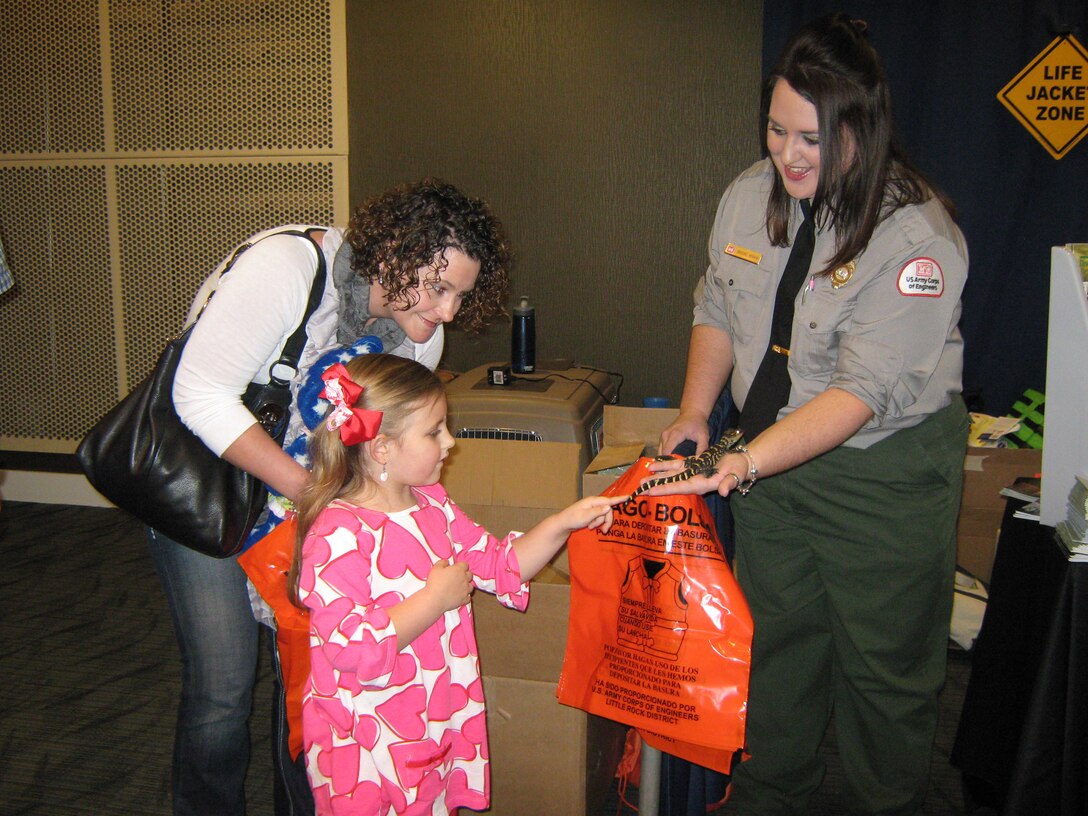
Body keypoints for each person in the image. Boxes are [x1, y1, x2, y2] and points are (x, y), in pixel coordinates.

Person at [651, 14, 968, 815]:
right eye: (776, 130)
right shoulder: (748, 198)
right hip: (770, 457)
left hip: (882, 474)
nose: (788, 154)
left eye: (812, 138)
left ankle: (886, 803)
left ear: (860, 130)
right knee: (778, 650)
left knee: (883, 669)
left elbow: (861, 395)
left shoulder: (914, 236)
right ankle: (768, 795)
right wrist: (697, 411)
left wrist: (746, 461)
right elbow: (717, 305)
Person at [150, 178, 511, 816]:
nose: (449, 312)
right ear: (395, 250)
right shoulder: (290, 269)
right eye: (439, 286)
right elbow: (198, 395)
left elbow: (392, 450)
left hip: (308, 517)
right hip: (209, 492)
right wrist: (315, 493)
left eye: (461, 294)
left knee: (308, 681)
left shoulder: (416, 335)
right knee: (224, 690)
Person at [288, 353, 625, 814]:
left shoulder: (433, 506)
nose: (450, 441)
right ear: (382, 446)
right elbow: (352, 648)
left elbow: (499, 564)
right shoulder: (339, 533)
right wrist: (435, 599)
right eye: (434, 431)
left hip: (433, 712)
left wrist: (563, 523)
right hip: (367, 738)